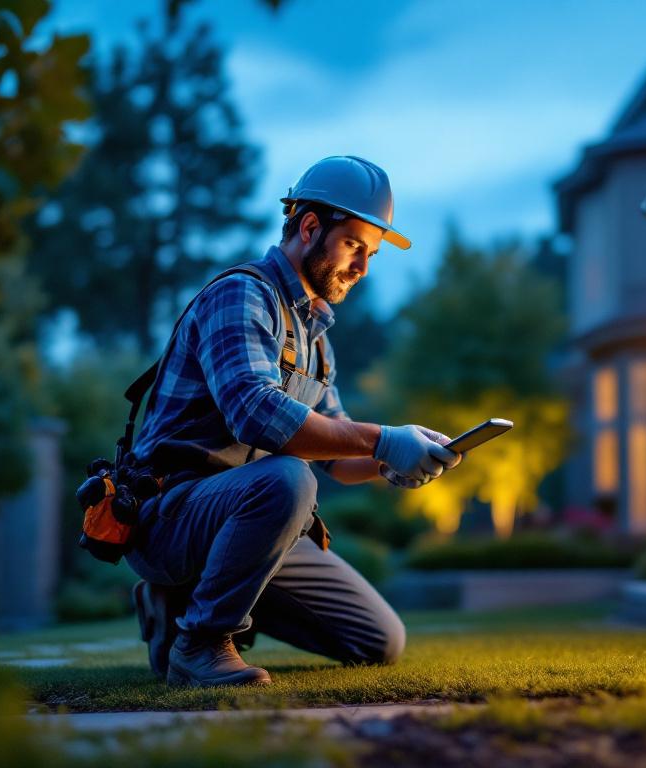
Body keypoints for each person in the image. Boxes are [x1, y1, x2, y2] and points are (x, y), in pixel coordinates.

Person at [124, 156, 460, 687]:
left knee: (379, 641)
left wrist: (401, 457)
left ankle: (188, 602)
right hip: (171, 515)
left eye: (370, 254)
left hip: (251, 520)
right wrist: (382, 440)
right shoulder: (241, 295)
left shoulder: (317, 340)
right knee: (287, 478)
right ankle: (201, 642)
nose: (363, 269)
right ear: (309, 228)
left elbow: (337, 460)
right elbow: (256, 414)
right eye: (354, 245)